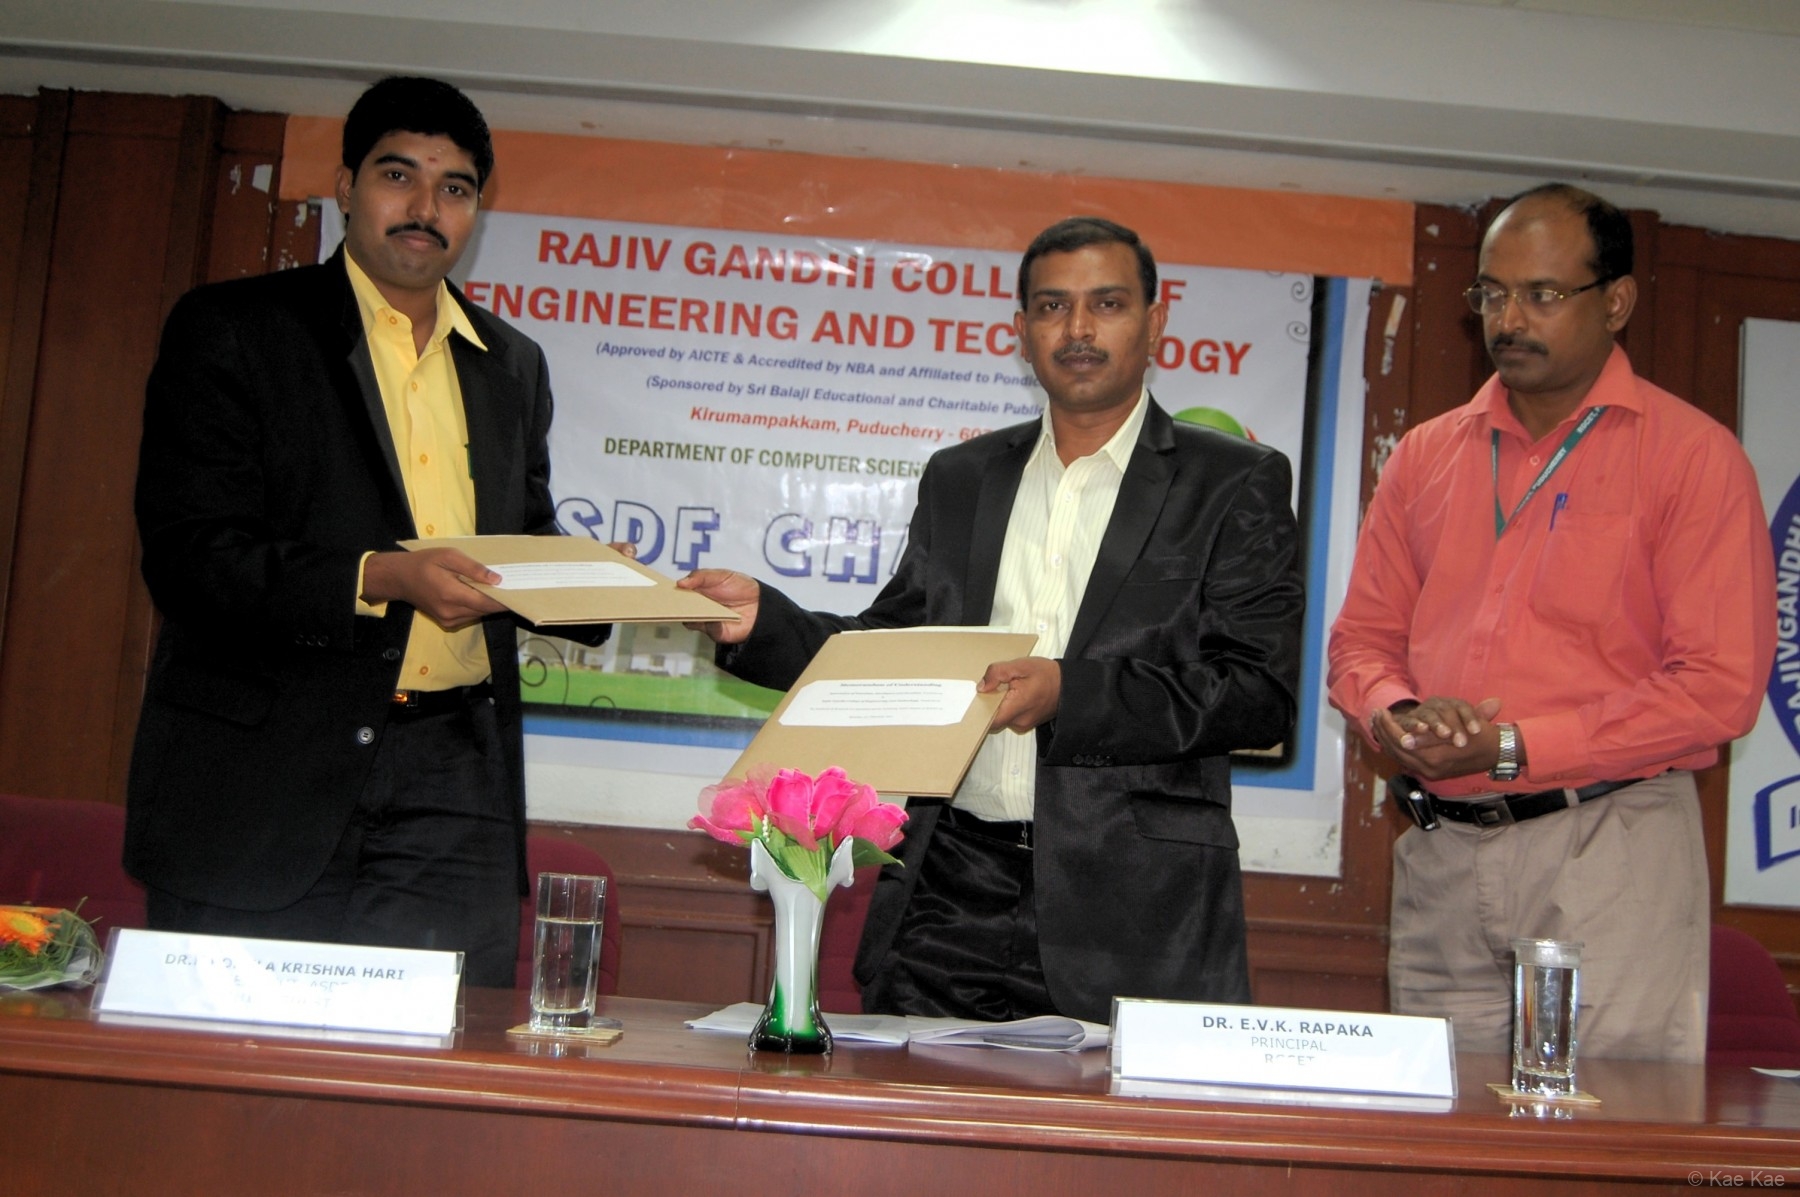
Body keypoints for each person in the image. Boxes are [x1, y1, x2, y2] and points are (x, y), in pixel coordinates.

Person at [678, 217, 1303, 1024]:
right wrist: (765, 620)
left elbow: (1257, 693)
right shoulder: (962, 477)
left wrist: (1070, 695)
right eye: (1052, 306)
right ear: (1020, 331)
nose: (1078, 329)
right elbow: (895, 651)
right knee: (908, 1106)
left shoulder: (1233, 480)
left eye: (1107, 303)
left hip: (1137, 905)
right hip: (949, 884)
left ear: (1155, 324)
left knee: (1112, 1115)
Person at [126, 76, 607, 987]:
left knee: (439, 1058)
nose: (426, 208)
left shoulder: (511, 364)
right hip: (265, 773)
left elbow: (520, 534)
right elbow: (192, 557)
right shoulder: (237, 330)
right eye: (399, 175)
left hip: (454, 776)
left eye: (455, 187)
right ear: (346, 187)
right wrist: (381, 577)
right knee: (241, 1059)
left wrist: (590, 578)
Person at [1327, 183, 1775, 1060]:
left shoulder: (1693, 458)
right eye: (1492, 293)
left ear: (1617, 301)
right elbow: (1361, 643)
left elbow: (1717, 689)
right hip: (1443, 852)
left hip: (1608, 845)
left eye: (1542, 293)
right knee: (1437, 1125)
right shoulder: (1425, 455)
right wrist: (1400, 715)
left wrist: (1510, 747)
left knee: (1604, 1122)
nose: (1508, 319)